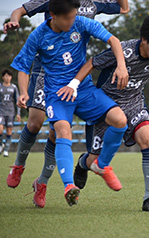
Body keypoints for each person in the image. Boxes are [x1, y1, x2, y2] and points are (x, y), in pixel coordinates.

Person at [4, 0, 129, 208]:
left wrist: (122, 66)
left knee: (119, 119)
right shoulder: (38, 35)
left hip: (83, 88)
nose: (72, 21)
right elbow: (23, 67)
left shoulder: (80, 22)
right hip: (56, 93)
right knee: (57, 130)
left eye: (74, 16)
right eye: (68, 18)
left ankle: (100, 165)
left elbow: (114, 40)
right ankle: (67, 185)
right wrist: (24, 93)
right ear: (52, 15)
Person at [72, 13, 149, 212]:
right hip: (107, 107)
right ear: (144, 39)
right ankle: (83, 163)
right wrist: (74, 85)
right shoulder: (124, 51)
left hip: (134, 103)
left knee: (148, 136)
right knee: (94, 159)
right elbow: (92, 62)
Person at [0, 69, 21, 157]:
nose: (7, 78)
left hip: (10, 112)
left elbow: (18, 100)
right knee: (0, 129)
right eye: (5, 76)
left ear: (11, 77)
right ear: (3, 77)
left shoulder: (14, 87)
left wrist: (18, 113)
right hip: (1, 111)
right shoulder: (0, 87)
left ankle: (6, 150)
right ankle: (1, 145)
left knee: (9, 131)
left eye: (9, 76)